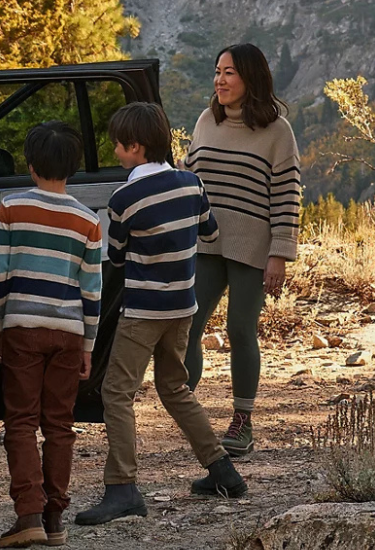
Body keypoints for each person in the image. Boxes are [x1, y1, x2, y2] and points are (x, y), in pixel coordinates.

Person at [76, 102, 247, 526]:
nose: (115, 152)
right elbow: (210, 231)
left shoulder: (124, 199)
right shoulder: (192, 184)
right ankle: (222, 470)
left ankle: (122, 487)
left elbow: (114, 257)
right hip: (182, 308)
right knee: (174, 387)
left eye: (118, 145)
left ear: (135, 146)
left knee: (117, 393)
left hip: (143, 312)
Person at [183, 43, 302, 458]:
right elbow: (191, 177)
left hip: (253, 247)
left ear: (250, 77)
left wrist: (280, 253)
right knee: (189, 326)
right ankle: (189, 414)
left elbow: (287, 194)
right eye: (217, 71)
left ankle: (242, 421)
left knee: (239, 330)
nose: (219, 80)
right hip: (206, 242)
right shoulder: (206, 121)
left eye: (229, 72)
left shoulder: (277, 131)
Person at [0, 121, 102, 548]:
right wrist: (88, 345)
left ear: (31, 166)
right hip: (69, 333)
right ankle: (54, 520)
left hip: (23, 329)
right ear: (71, 169)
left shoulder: (11, 208)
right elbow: (92, 290)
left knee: (20, 421)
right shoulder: (88, 220)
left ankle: (28, 514)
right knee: (60, 424)